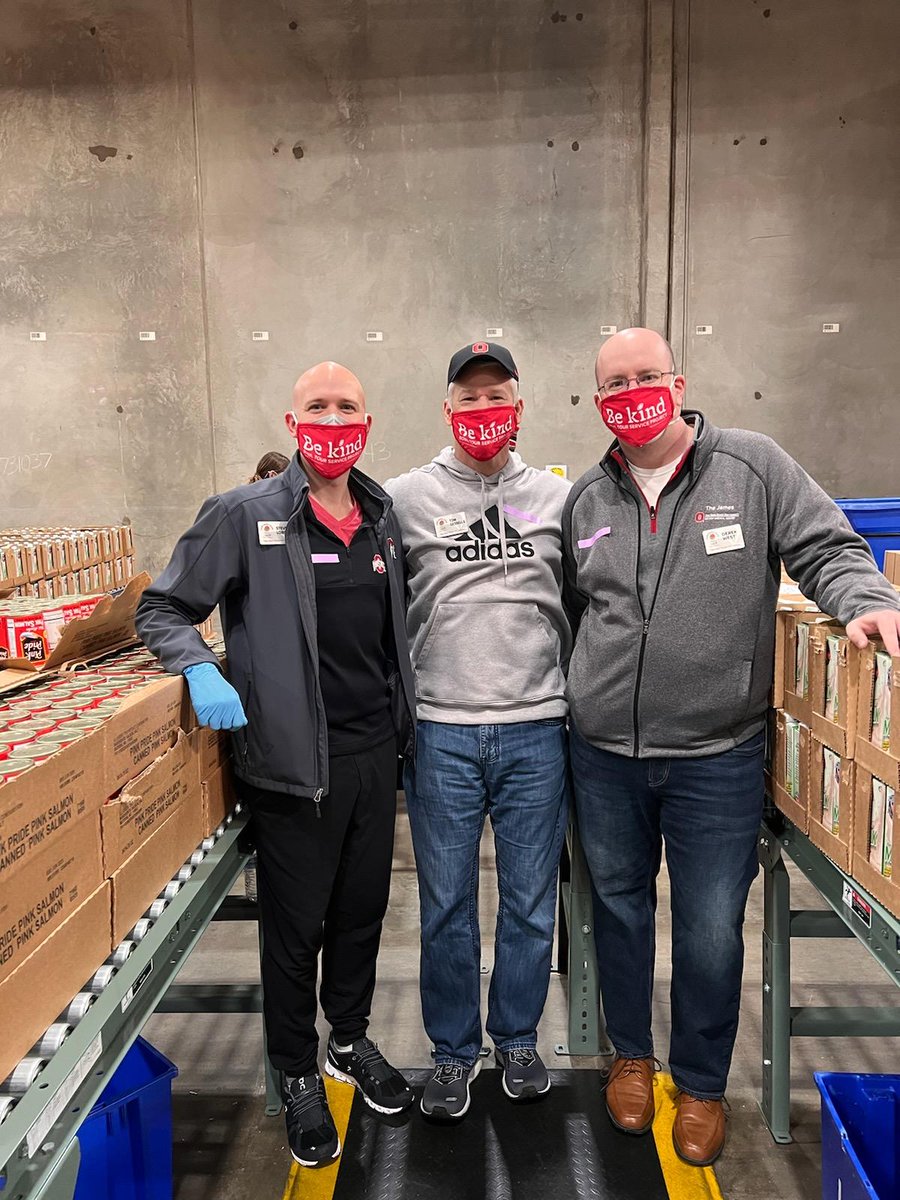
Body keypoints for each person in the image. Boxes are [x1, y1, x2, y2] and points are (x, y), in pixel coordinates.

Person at [562, 327, 900, 1167]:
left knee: (712, 927)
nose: (632, 393)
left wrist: (863, 599)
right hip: (605, 752)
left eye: (647, 377)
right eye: (615, 383)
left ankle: (702, 1082)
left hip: (718, 752)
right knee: (621, 911)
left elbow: (828, 546)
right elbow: (570, 608)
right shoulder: (588, 499)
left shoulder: (752, 467)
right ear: (599, 400)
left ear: (678, 382)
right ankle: (631, 1057)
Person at [136, 362, 417, 1169]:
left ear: (368, 419)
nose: (334, 418)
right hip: (292, 764)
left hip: (373, 755)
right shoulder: (244, 513)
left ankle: (349, 1042)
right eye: (318, 406)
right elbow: (162, 605)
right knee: (296, 932)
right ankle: (296, 1069)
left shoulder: (381, 514)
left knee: (363, 913)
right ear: (293, 421)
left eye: (349, 406)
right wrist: (197, 664)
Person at [386, 341, 572, 1120]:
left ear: (520, 408)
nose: (483, 411)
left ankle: (518, 1038)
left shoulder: (561, 499)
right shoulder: (402, 498)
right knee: (447, 906)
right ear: (447, 410)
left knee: (530, 902)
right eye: (469, 399)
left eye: (497, 397)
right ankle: (455, 1053)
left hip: (537, 728)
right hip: (443, 732)